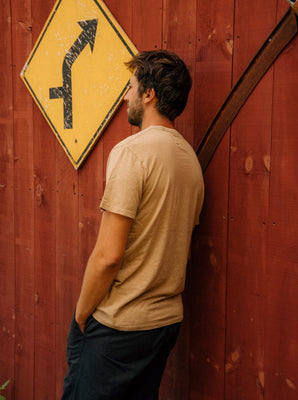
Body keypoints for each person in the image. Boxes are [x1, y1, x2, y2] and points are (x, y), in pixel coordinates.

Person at [61, 50, 204, 400]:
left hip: (118, 326)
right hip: (164, 324)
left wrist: (80, 316)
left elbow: (108, 256)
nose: (126, 97)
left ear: (149, 94)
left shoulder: (132, 153)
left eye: (131, 87)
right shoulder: (191, 163)